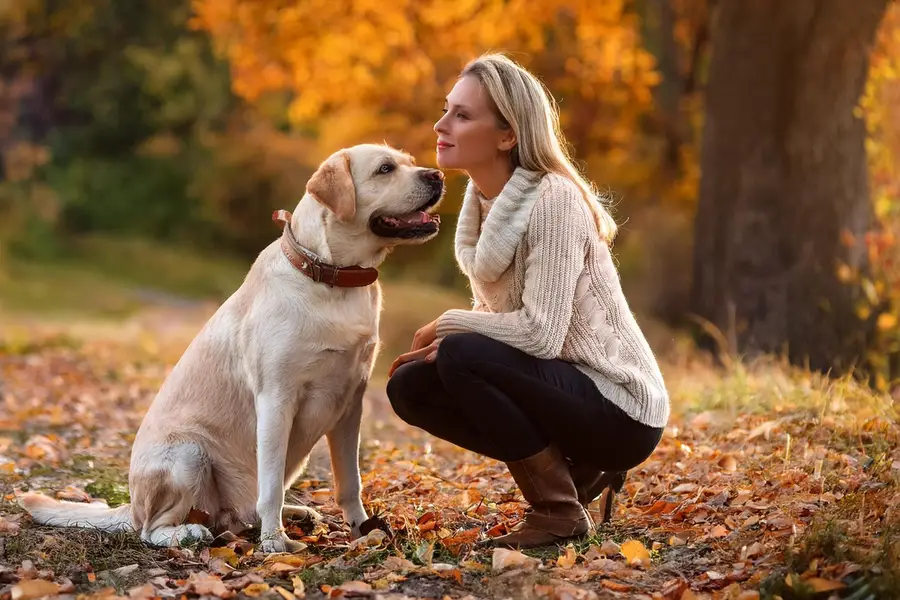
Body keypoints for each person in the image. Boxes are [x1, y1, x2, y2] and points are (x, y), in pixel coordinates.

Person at [386, 53, 669, 549]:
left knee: (459, 352)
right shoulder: (482, 205)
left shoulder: (554, 199)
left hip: (621, 407)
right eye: (446, 109)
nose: (441, 124)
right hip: (566, 389)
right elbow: (499, 322)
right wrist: (457, 335)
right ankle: (575, 476)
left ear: (507, 135)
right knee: (410, 386)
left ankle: (558, 510)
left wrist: (449, 325)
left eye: (462, 115)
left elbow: (541, 333)